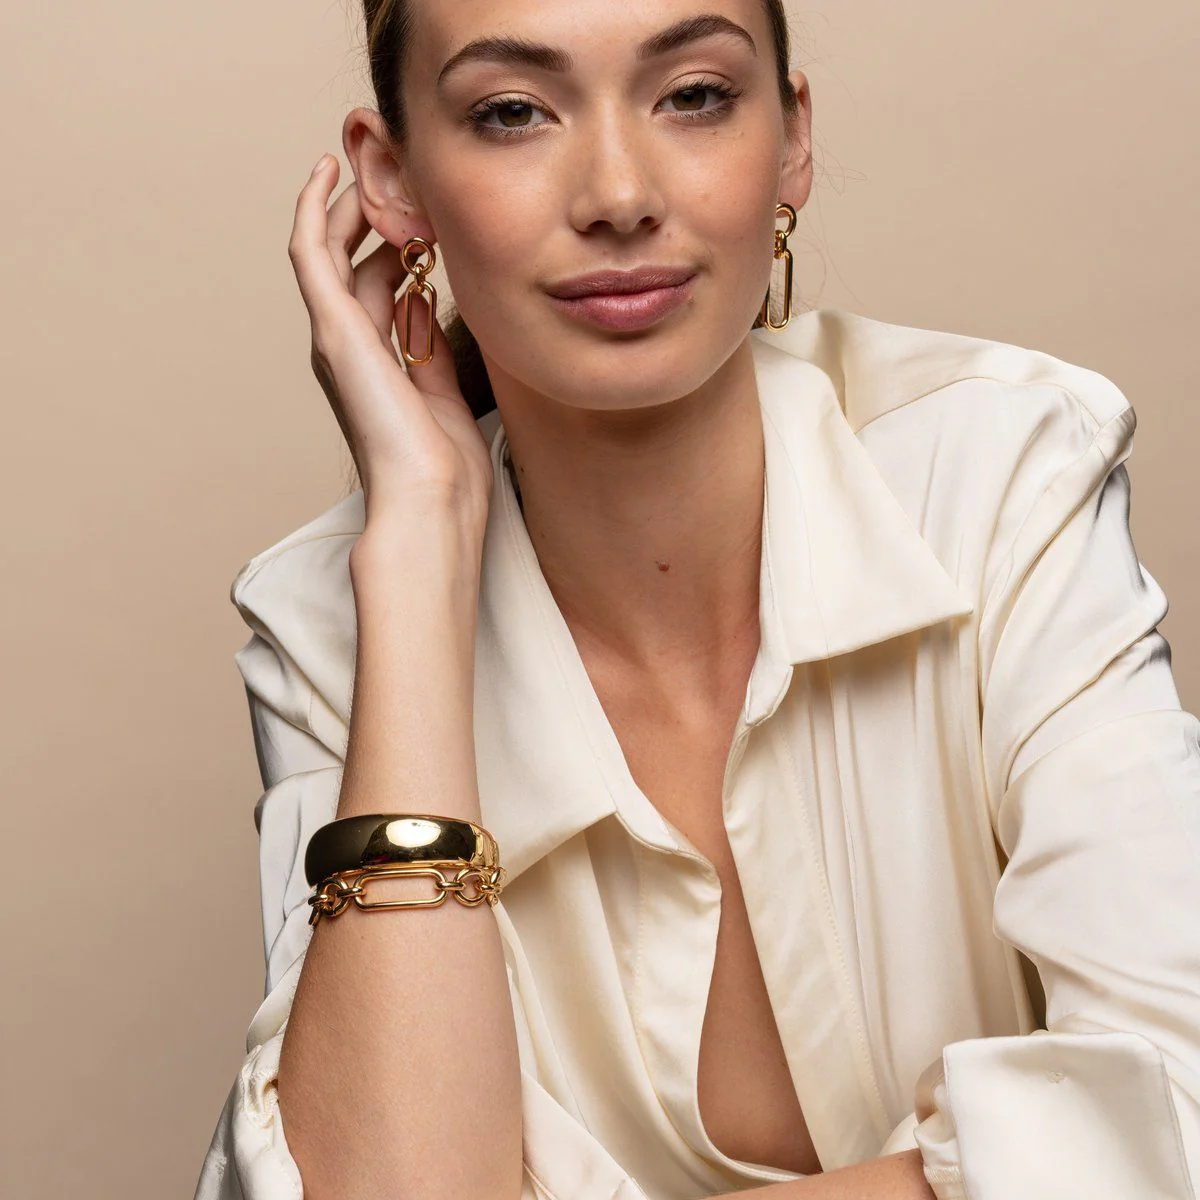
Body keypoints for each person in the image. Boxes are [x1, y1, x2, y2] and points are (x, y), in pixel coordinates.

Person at [194, 1, 1200, 1197]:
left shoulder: (1000, 474)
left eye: (695, 96)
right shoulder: (335, 626)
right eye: (512, 112)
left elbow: (1181, 1114)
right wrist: (418, 539)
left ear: (792, 140)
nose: (619, 194)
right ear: (393, 181)